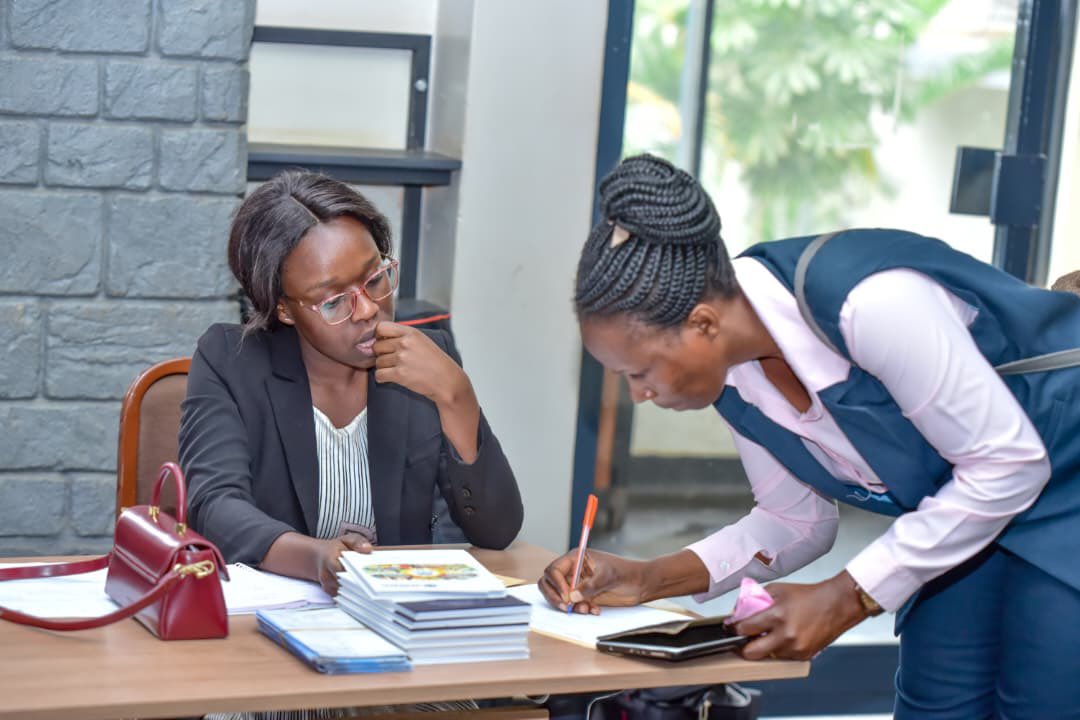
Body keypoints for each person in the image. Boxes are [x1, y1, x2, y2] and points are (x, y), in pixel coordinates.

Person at [540, 154, 1080, 718]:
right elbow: (796, 520)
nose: (638, 394)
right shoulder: (734, 371)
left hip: (1065, 481)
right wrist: (649, 577)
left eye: (640, 372)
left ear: (702, 324)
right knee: (937, 705)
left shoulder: (867, 302)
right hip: (965, 507)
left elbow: (1008, 464)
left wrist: (847, 595)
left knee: (1046, 697)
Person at [180, 170, 523, 598]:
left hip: (397, 618)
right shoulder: (232, 363)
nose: (367, 310)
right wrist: (317, 557)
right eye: (334, 300)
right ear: (284, 309)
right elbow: (215, 506)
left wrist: (458, 397)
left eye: (375, 279)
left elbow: (497, 531)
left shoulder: (425, 360)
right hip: (269, 622)